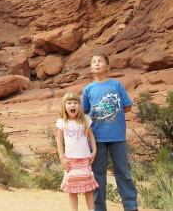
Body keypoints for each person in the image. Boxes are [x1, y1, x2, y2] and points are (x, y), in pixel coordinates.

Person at [82, 54, 138, 211]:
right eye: (93, 62)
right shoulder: (88, 89)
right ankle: (99, 208)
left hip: (117, 137)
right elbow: (84, 112)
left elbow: (127, 107)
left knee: (123, 173)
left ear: (108, 67)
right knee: (98, 175)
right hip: (96, 139)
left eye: (100, 61)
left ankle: (131, 207)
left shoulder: (117, 85)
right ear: (91, 69)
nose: (97, 64)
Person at [56, 92, 98, 211]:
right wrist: (62, 158)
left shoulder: (85, 120)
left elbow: (91, 136)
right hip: (70, 160)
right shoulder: (62, 122)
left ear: (79, 106)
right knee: (72, 188)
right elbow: (59, 141)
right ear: (64, 106)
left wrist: (94, 151)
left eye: (75, 103)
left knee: (88, 188)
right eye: (69, 103)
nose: (72, 105)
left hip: (85, 159)